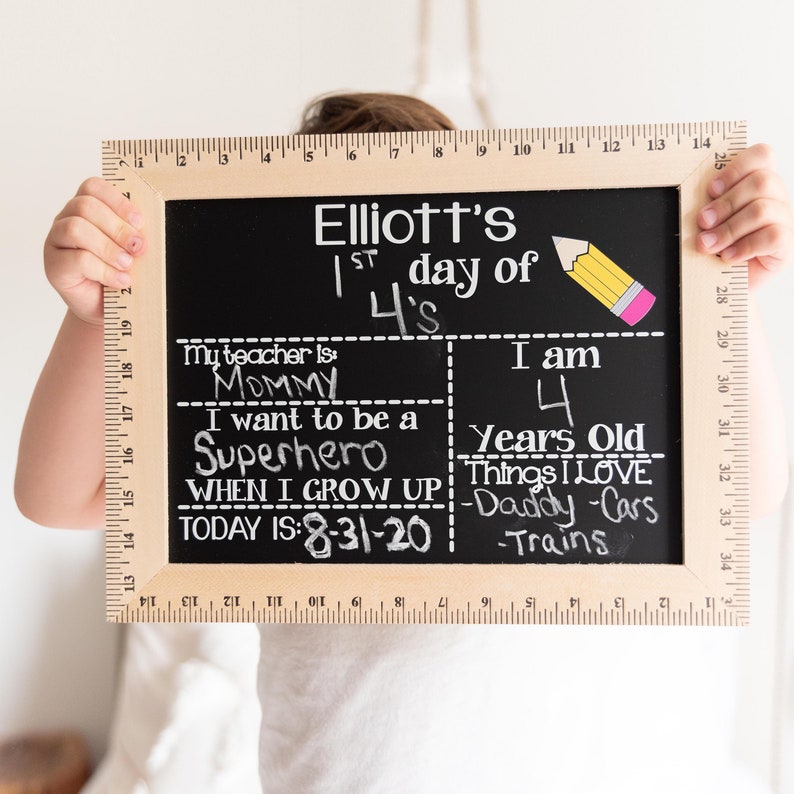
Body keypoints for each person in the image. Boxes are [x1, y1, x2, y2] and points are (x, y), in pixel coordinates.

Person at [15, 93, 793, 792]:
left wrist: (721, 295)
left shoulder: (549, 376)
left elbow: (747, 488)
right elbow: (55, 496)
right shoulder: (278, 411)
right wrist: (94, 317)